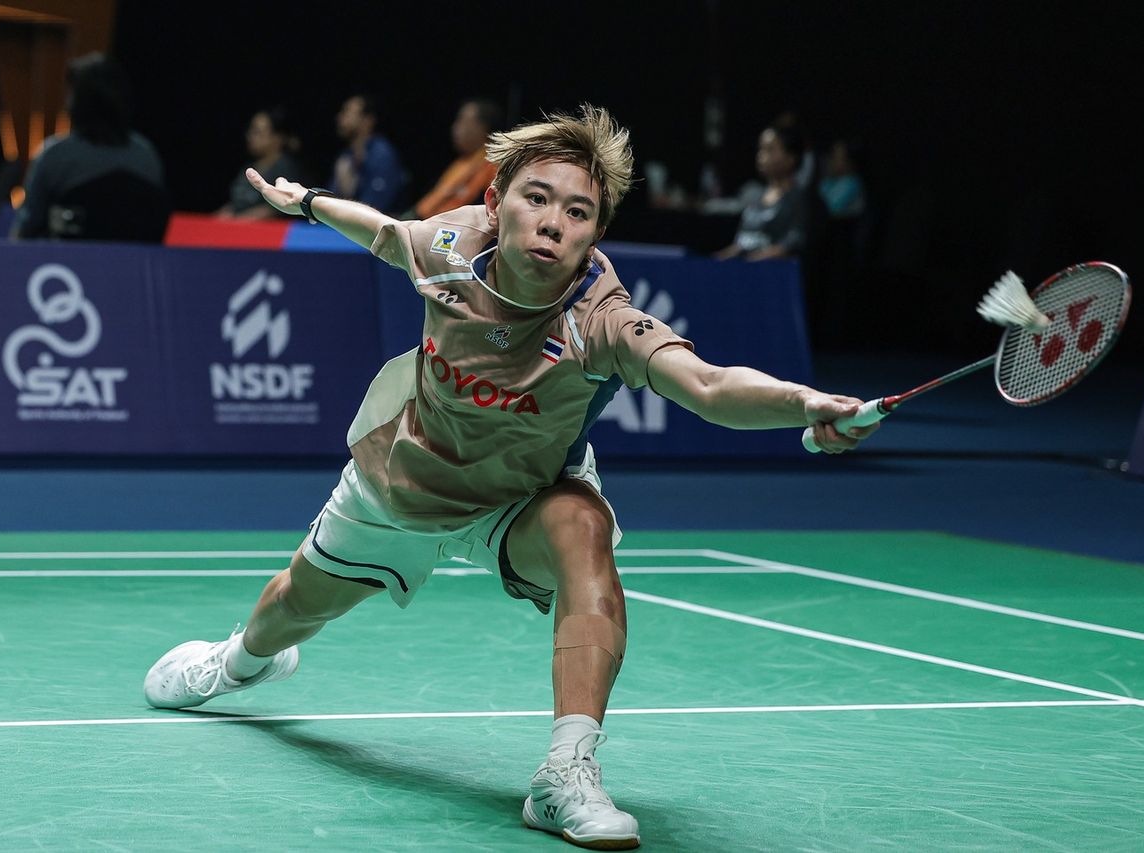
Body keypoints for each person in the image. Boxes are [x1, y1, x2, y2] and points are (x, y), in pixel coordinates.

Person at [144, 104, 875, 851]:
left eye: (578, 212)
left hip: (520, 499)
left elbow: (709, 385)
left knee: (584, 526)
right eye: (537, 198)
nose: (554, 222)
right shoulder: (453, 243)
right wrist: (306, 202)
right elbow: (386, 233)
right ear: (497, 202)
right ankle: (235, 665)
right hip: (404, 481)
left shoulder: (601, 317)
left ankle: (566, 772)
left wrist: (805, 404)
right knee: (291, 607)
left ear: (596, 232)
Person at [12, 53, 168, 242]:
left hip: (68, 259)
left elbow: (25, 232)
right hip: (134, 260)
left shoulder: (54, 155)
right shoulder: (147, 156)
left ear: (77, 103)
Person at [713, 124, 810, 262]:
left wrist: (754, 261)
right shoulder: (755, 197)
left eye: (769, 149)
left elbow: (793, 244)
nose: (761, 155)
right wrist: (715, 261)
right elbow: (742, 244)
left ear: (791, 158)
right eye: (760, 149)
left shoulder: (801, 200)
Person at [403, 98, 501, 219]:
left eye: (464, 122)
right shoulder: (461, 163)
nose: (455, 128)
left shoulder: (492, 166)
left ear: (483, 128)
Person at [218, 106, 311, 220]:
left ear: (277, 138)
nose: (249, 136)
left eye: (257, 132)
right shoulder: (249, 167)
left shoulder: (287, 169)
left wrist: (240, 221)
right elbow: (237, 204)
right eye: (251, 131)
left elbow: (280, 207)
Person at [329, 94, 406, 212]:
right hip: (349, 220)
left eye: (347, 112)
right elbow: (329, 201)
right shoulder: (345, 157)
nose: (340, 118)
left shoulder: (382, 154)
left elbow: (375, 207)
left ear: (368, 121)